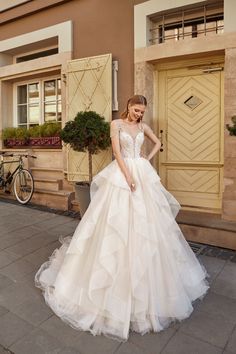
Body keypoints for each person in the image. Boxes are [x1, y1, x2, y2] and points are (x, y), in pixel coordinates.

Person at [35, 95, 209, 342]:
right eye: (136, 110)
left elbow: (158, 142)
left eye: (142, 111)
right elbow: (117, 152)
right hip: (122, 174)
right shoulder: (116, 124)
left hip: (141, 170)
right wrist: (128, 176)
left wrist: (145, 161)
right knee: (113, 222)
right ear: (129, 106)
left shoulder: (143, 127)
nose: (139, 114)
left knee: (149, 224)